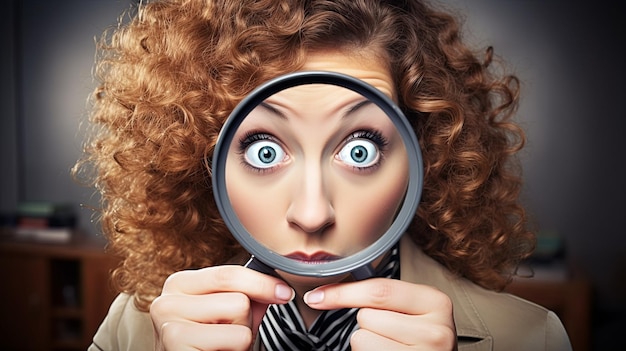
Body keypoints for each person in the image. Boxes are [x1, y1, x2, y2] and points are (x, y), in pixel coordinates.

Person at [75, 0, 573, 350]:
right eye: (264, 151)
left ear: (424, 158)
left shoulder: (532, 340)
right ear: (205, 160)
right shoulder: (134, 330)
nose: (312, 213)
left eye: (360, 150)